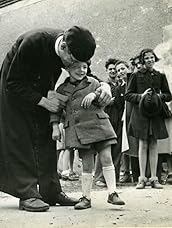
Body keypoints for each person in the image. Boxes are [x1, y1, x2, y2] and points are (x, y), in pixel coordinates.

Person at [0, 26, 112, 212]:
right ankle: (27, 193)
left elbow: (85, 76)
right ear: (63, 48)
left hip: (43, 89)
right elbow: (13, 84)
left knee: (46, 136)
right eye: (72, 62)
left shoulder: (74, 48)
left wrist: (104, 87)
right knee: (20, 138)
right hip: (14, 91)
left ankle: (51, 191)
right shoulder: (33, 42)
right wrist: (43, 101)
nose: (72, 67)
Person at [51, 60, 125, 210]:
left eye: (84, 67)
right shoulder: (62, 89)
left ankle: (113, 193)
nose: (81, 70)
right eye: (77, 67)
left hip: (99, 125)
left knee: (106, 157)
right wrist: (55, 127)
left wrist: (94, 94)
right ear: (68, 68)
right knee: (87, 164)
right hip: (79, 130)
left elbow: (105, 90)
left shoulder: (93, 82)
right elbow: (55, 109)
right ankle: (86, 197)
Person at [125, 48, 172, 189]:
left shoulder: (160, 76)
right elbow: (128, 95)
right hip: (140, 113)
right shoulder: (135, 75)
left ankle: (154, 178)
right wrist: (141, 96)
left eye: (152, 57)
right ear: (142, 60)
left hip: (155, 113)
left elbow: (168, 95)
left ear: (155, 59)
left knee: (153, 143)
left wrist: (158, 97)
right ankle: (141, 178)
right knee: (142, 144)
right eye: (147, 58)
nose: (150, 60)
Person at [94, 58, 124, 188]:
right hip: (107, 117)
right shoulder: (103, 85)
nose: (113, 71)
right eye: (110, 69)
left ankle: (114, 177)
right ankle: (100, 177)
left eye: (115, 69)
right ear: (107, 71)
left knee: (117, 148)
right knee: (104, 147)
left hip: (118, 118)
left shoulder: (121, 85)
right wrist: (107, 102)